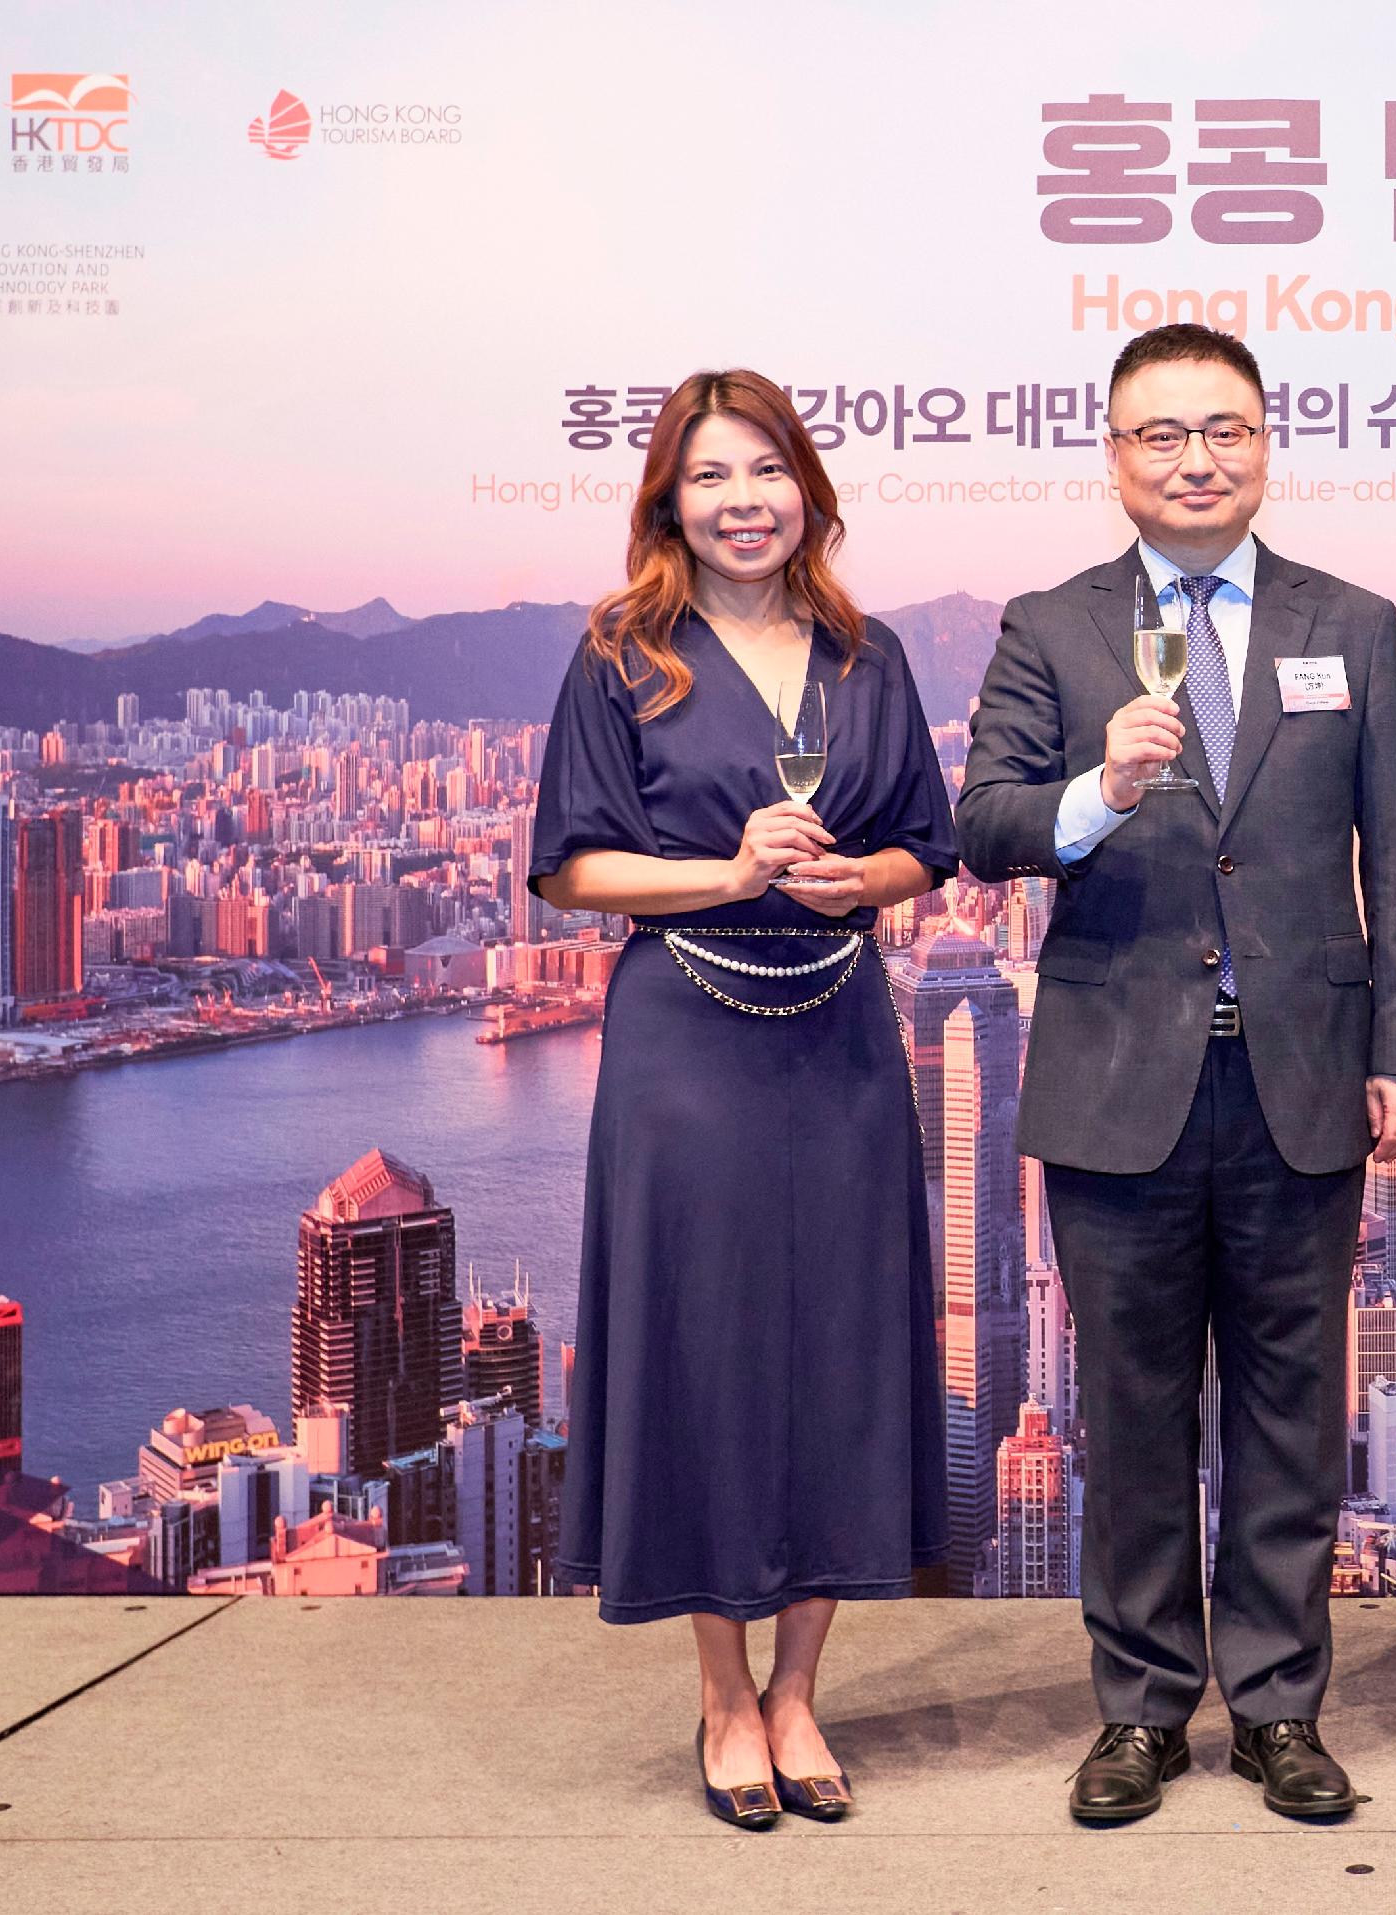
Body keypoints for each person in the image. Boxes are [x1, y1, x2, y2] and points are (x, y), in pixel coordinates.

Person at [955, 323, 1396, 1825]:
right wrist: (1099, 792)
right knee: (1137, 1410)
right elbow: (983, 826)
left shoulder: (1351, 624)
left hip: (1302, 1076)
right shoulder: (1048, 627)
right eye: (1161, 435)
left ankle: (1283, 1706)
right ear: (1114, 458)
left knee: (1295, 1414)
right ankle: (1143, 1713)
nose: (1196, 459)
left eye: (1224, 429)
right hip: (1119, 1082)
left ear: (1265, 445)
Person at [532, 369, 960, 1832]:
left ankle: (801, 1693)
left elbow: (925, 843)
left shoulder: (867, 652)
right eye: (709, 478)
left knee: (842, 1347)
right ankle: (723, 1698)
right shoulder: (622, 654)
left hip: (840, 1027)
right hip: (687, 1039)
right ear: (669, 501)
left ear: (808, 489)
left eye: (765, 470)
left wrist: (862, 881)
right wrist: (728, 872)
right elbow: (572, 866)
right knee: (704, 1354)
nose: (742, 502)